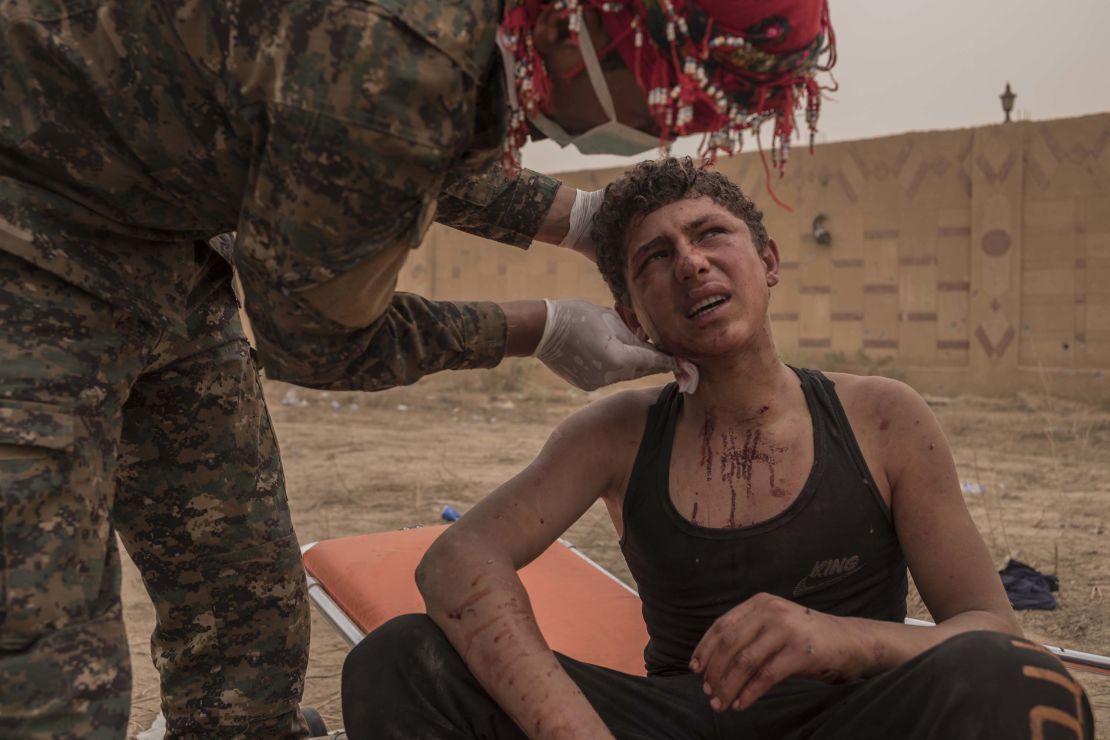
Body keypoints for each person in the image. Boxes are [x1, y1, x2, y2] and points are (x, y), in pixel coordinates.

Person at [0, 0, 835, 736]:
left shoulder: (874, 415)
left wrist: (583, 219)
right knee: (43, 651)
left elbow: (407, 142)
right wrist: (535, 328)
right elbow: (319, 336)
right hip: (25, 235)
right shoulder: (398, 52)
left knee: (242, 593)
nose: (659, 132)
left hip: (165, 246)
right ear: (582, 24)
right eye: (655, 94)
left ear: (770, 261)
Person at [342, 157, 1096, 739]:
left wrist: (835, 639)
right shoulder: (615, 435)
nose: (691, 262)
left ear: (767, 261)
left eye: (710, 235)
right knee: (401, 660)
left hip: (853, 717)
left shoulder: (881, 416)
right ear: (631, 318)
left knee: (1025, 681)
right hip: (682, 720)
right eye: (654, 259)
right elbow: (456, 562)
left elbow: (990, 628)